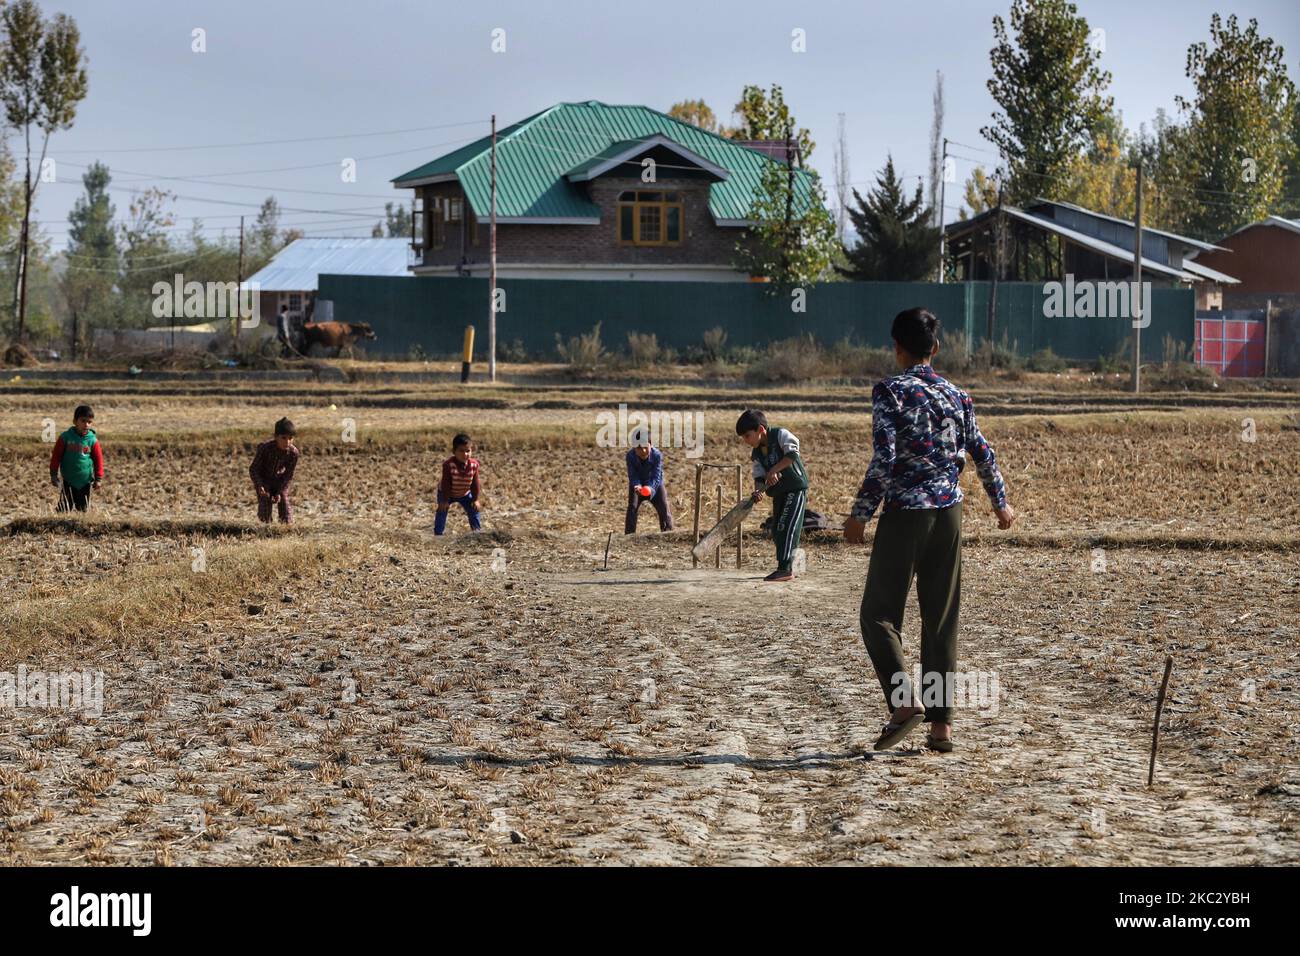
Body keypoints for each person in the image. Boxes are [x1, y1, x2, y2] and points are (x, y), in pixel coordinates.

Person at [843, 307, 1014, 753]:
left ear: (896, 348)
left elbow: (884, 457)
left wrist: (861, 513)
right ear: (935, 349)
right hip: (950, 514)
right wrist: (1001, 504)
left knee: (878, 616)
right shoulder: (958, 395)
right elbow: (983, 452)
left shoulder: (890, 392)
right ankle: (942, 729)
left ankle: (904, 706)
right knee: (940, 621)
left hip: (906, 513)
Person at [736, 410, 808, 582]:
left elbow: (792, 454)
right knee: (776, 530)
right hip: (778, 493)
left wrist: (775, 469)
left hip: (795, 489)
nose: (746, 441)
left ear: (760, 429)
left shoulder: (781, 435)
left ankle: (785, 570)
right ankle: (792, 565)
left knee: (786, 527)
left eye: (747, 435)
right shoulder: (757, 454)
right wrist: (758, 491)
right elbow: (760, 477)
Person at [50, 404, 104, 513]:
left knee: (83, 510)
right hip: (68, 480)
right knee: (64, 508)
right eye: (83, 421)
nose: (86, 425)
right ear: (75, 421)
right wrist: (53, 474)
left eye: (89, 422)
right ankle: (60, 527)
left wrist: (98, 479)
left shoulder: (92, 441)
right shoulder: (65, 438)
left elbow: (98, 461)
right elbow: (56, 457)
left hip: (85, 481)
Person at [250, 417, 299, 524]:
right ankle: (266, 529)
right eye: (284, 438)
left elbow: (288, 475)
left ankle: (286, 528)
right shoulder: (265, 448)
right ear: (276, 437)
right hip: (264, 480)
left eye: (290, 438)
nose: (287, 441)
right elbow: (254, 469)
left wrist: (279, 491)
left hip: (279, 481)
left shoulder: (293, 453)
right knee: (265, 504)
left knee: (284, 501)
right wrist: (259, 485)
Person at [624, 431, 672, 534]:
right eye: (639, 448)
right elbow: (632, 475)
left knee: (664, 508)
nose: (643, 450)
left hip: (655, 485)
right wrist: (637, 485)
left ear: (651, 444)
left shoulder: (657, 455)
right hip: (637, 486)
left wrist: (650, 488)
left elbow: (657, 475)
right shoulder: (630, 456)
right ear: (634, 448)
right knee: (632, 507)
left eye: (646, 447)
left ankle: (668, 534)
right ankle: (629, 536)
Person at [436, 433, 482, 535]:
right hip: (446, 493)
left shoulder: (474, 465)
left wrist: (475, 499)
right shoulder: (448, 465)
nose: (465, 454)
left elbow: (475, 483)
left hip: (464, 493)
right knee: (442, 510)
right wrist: (445, 500)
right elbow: (446, 483)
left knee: (474, 510)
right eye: (461, 451)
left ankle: (477, 533)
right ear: (454, 452)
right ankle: (438, 535)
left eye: (468, 451)